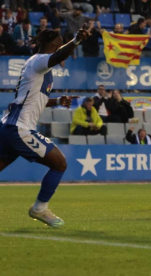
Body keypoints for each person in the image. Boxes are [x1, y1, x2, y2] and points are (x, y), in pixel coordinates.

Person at [0, 27, 88, 228]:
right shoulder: (40, 60)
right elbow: (59, 55)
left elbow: (33, 100)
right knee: (59, 163)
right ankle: (39, 208)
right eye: (61, 42)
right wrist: (75, 41)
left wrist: (56, 101)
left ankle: (40, 208)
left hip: (8, 127)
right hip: (19, 129)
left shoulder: (37, 67)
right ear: (55, 43)